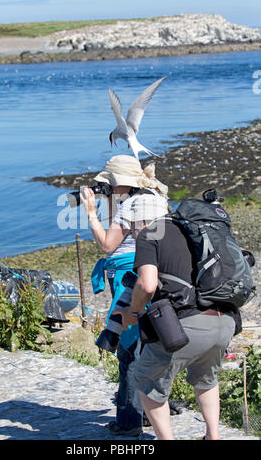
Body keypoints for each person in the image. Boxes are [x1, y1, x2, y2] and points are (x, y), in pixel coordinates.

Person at [115, 194, 236, 440]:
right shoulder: (195, 231)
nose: (131, 231)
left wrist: (133, 312)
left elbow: (147, 285)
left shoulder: (150, 234)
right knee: (206, 379)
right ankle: (213, 436)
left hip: (186, 327)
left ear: (141, 221)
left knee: (146, 380)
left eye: (132, 226)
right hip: (224, 320)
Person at [80, 154, 169, 437]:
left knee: (128, 347)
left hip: (127, 276)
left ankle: (130, 420)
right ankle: (148, 406)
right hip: (155, 272)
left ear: (119, 182)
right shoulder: (156, 198)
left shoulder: (130, 205)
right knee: (151, 342)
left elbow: (107, 245)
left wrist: (92, 213)